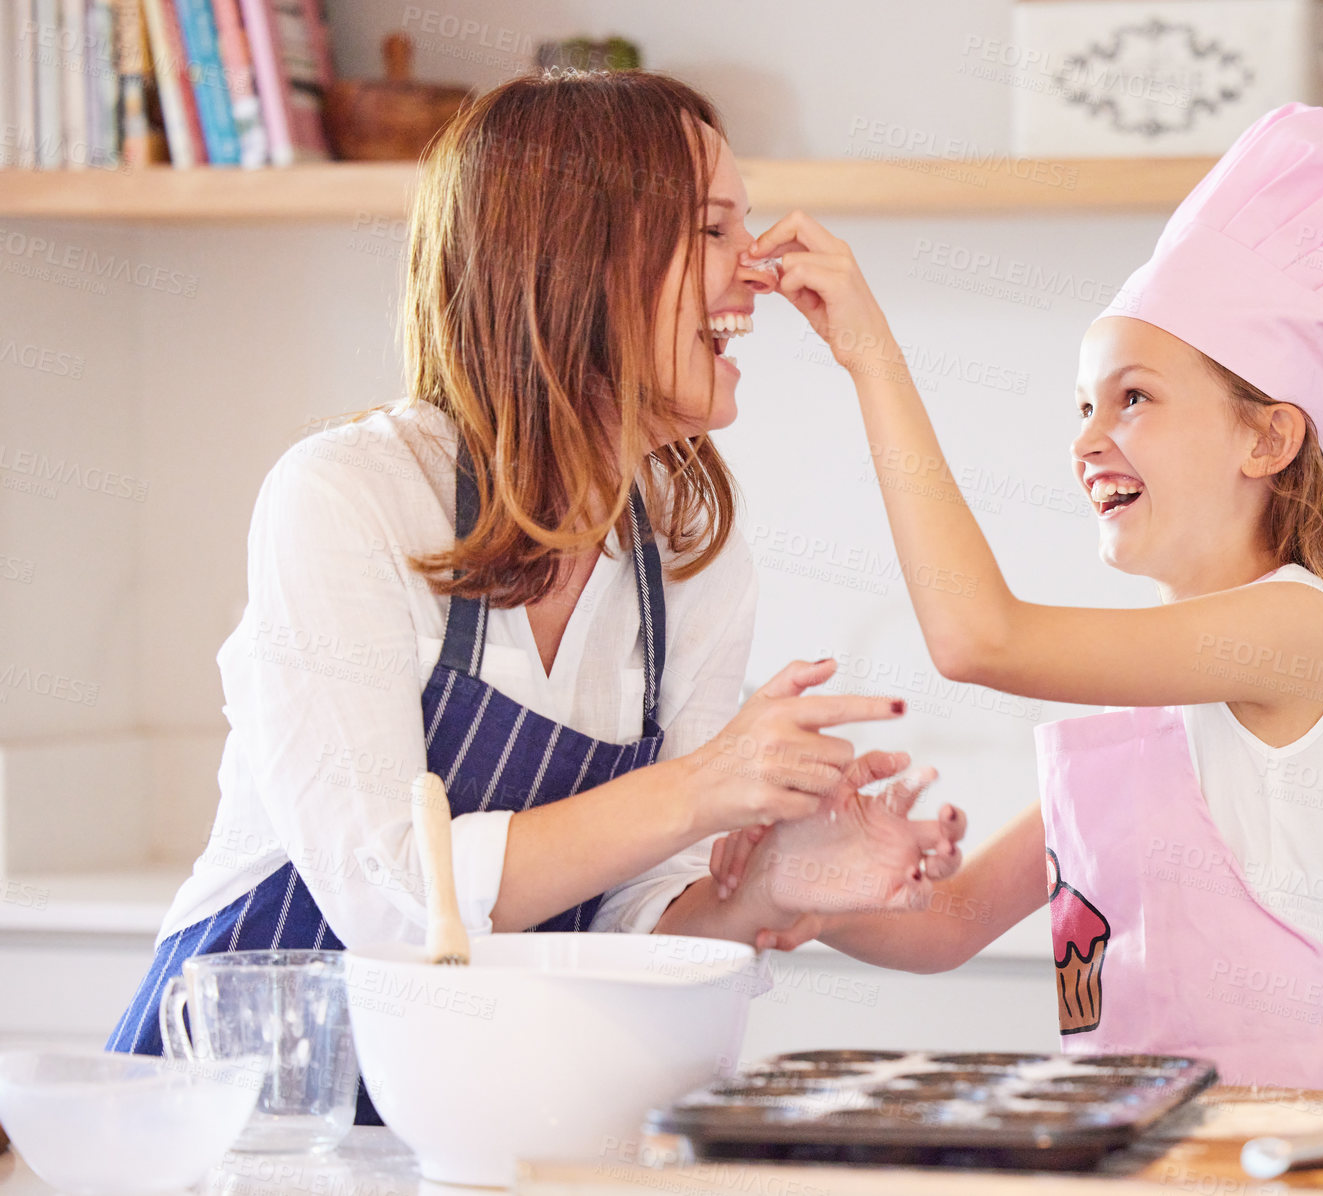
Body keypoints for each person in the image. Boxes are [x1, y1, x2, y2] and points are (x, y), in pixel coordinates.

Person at [107, 70, 965, 1118]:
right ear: (575, 260)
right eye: (712, 229)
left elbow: (633, 925)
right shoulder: (351, 495)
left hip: (477, 1113)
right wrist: (704, 783)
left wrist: (766, 887)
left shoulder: (687, 556)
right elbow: (389, 900)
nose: (758, 271)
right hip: (244, 1119)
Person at [712, 103, 1323, 1092]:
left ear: (1267, 438)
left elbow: (978, 636)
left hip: (1281, 1144)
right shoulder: (1150, 712)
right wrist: (812, 887)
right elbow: (948, 923)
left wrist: (873, 355)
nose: (1086, 439)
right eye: (1084, 403)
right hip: (1147, 1133)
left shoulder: (1300, 627)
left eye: (1135, 396)